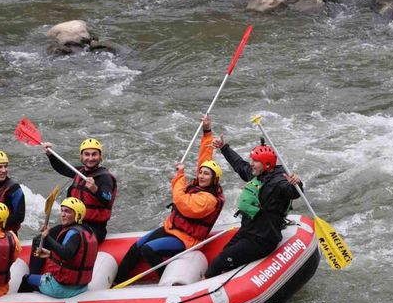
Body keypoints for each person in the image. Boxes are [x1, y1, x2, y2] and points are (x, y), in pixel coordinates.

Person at [113, 115, 225, 285]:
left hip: (186, 239)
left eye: (206, 174)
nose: (201, 176)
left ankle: (167, 280)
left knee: (148, 249)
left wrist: (180, 175)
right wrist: (207, 131)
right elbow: (205, 157)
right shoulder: (202, 184)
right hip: (171, 228)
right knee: (137, 246)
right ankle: (116, 282)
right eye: (201, 172)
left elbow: (182, 202)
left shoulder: (208, 199)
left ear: (214, 179)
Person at [204, 135, 302, 278]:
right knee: (225, 253)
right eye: (252, 160)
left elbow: (293, 192)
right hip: (247, 231)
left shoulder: (279, 183)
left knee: (216, 265)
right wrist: (224, 148)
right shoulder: (258, 174)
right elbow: (239, 165)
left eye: (255, 161)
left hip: (262, 240)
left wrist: (297, 183)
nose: (251, 163)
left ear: (267, 165)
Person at [19, 197, 98, 298]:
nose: (63, 214)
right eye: (62, 211)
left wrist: (47, 237)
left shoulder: (73, 234)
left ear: (77, 215)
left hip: (61, 289)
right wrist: (50, 254)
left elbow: (66, 254)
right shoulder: (88, 232)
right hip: (82, 286)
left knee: (27, 279)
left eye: (67, 212)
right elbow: (72, 258)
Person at [42, 138, 117, 243]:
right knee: (41, 240)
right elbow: (62, 168)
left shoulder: (105, 178)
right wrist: (50, 155)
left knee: (68, 243)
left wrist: (95, 189)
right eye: (86, 154)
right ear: (81, 156)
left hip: (94, 229)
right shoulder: (80, 172)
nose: (90, 158)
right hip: (74, 224)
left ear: (100, 157)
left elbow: (107, 198)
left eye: (94, 154)